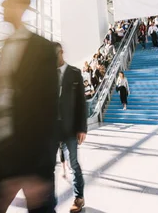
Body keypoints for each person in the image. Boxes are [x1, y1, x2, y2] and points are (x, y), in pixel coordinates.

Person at [0, 0, 58, 213]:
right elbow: (14, 96)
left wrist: (39, 170)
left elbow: (48, 109)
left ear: (22, 3)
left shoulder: (42, 49)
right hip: (2, 148)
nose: (3, 3)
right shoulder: (7, 46)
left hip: (29, 154)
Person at [55, 43, 87, 212]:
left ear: (61, 53)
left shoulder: (74, 73)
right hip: (52, 129)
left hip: (70, 128)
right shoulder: (48, 76)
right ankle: (46, 201)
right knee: (45, 165)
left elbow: (82, 103)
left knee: (73, 163)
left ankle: (79, 197)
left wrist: (82, 128)